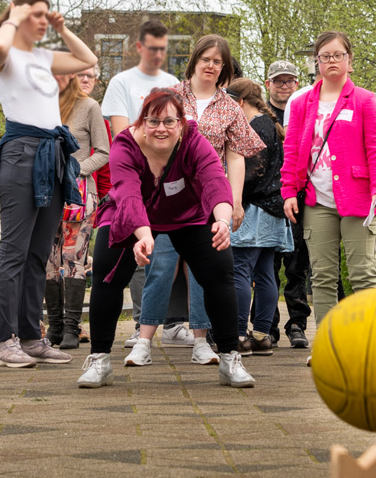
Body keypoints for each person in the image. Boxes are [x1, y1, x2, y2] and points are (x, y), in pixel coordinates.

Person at [76, 88, 253, 390]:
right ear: (142, 122)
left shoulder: (195, 142)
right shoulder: (125, 144)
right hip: (131, 215)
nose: (161, 129)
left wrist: (222, 221)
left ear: (182, 124)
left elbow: (215, 182)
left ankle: (229, 358)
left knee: (220, 269)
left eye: (170, 122)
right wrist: (144, 237)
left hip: (188, 215)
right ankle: (100, 359)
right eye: (153, 121)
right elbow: (129, 194)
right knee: (107, 273)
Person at [127, 34, 261, 368]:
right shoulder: (171, 95)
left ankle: (201, 342)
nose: (211, 66)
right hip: (168, 197)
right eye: (206, 59)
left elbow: (236, 157)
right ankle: (143, 341)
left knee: (204, 272)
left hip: (209, 201)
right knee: (161, 266)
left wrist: (236, 201)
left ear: (224, 67)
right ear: (195, 61)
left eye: (218, 61)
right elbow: (142, 135)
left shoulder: (230, 106)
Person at [0, 0, 98, 368]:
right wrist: (14, 16)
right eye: (39, 15)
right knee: (13, 251)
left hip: (51, 154)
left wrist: (62, 29)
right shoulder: (4, 54)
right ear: (18, 15)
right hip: (21, 153)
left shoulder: (41, 57)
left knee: (37, 255)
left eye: (48, 15)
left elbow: (87, 60)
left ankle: (31, 337)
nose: (44, 20)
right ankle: (3, 342)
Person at [280, 31, 376, 354]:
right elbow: (291, 151)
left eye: (338, 55)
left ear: (349, 61)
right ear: (317, 62)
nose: (331, 61)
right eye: (325, 56)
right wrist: (288, 191)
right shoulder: (301, 103)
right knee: (323, 277)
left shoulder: (364, 100)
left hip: (358, 200)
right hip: (316, 201)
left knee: (362, 275)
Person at [101, 20, 178, 330]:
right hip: (133, 178)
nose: (158, 54)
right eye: (152, 48)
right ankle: (139, 324)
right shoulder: (121, 82)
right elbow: (122, 136)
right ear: (139, 47)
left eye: (163, 48)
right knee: (136, 254)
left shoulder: (173, 83)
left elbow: (178, 131)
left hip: (168, 182)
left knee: (168, 256)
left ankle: (170, 323)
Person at [228, 77, 290, 354]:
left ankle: (240, 334)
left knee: (240, 268)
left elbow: (252, 172)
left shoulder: (253, 128)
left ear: (240, 102)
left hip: (253, 209)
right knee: (265, 273)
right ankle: (263, 335)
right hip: (273, 209)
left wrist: (232, 194)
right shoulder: (271, 124)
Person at [48, 64, 107, 350]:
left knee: (73, 259)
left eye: (90, 75)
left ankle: (72, 327)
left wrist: (78, 170)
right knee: (49, 261)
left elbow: (104, 151)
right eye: (79, 73)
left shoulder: (90, 107)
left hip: (80, 195)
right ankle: (55, 326)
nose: (85, 79)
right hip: (47, 194)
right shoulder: (46, 104)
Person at [264, 60, 313, 348]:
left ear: (296, 83)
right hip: (270, 200)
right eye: (278, 81)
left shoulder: (305, 112)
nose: (284, 86)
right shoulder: (260, 116)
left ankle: (297, 324)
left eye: (290, 81)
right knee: (267, 267)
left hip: (300, 197)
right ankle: (267, 325)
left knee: (298, 265)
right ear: (268, 84)